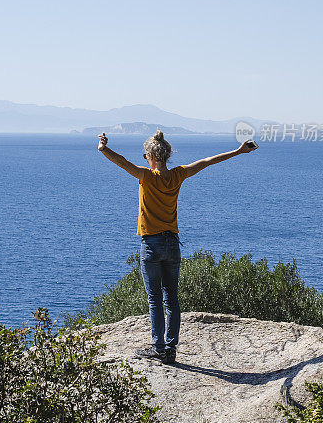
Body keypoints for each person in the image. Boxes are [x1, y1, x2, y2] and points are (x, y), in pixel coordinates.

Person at [97, 129, 257, 365]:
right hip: (173, 244)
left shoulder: (145, 175)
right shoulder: (178, 175)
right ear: (166, 155)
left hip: (151, 244)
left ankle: (158, 348)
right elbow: (207, 161)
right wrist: (238, 151)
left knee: (155, 300)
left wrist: (103, 148)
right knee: (172, 298)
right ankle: (170, 349)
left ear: (150, 156)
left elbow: (120, 161)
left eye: (145, 156)